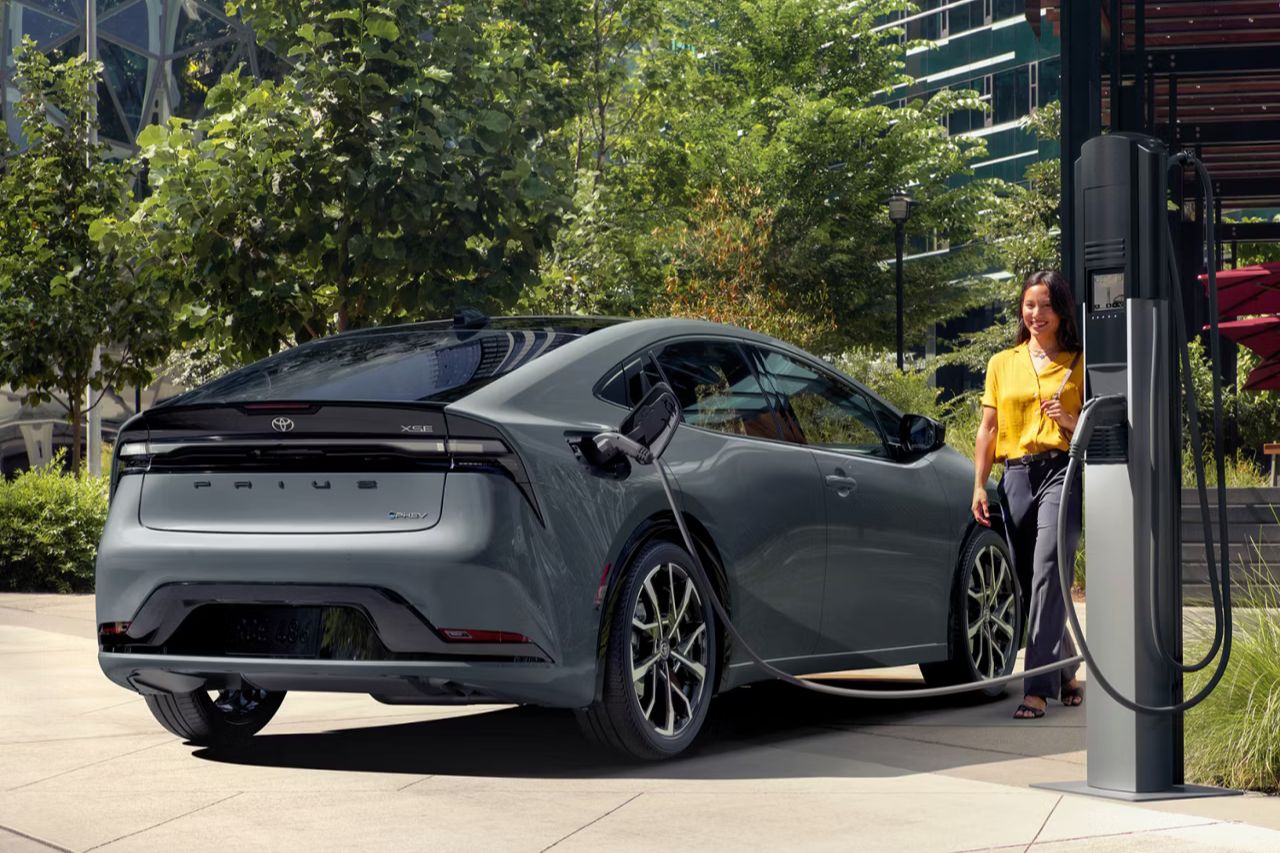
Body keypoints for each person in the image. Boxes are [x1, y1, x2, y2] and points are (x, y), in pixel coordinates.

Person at [972, 270, 1085, 720]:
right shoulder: (1003, 362)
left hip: (1062, 472)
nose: (1035, 314)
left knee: (1046, 571)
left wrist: (1070, 420)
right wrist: (979, 484)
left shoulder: (1080, 362)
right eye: (1029, 305)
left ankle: (1036, 688)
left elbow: (1097, 428)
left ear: (1060, 312)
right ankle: (1066, 665)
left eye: (1044, 306)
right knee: (1028, 582)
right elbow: (988, 428)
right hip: (1014, 476)